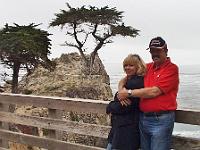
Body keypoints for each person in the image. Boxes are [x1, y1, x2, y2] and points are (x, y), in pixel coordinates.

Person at [118, 37, 179, 150]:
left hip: (161, 120)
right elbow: (126, 78)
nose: (154, 53)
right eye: (152, 51)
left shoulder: (172, 69)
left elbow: (154, 92)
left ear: (165, 50)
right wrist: (121, 92)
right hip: (143, 119)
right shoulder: (148, 67)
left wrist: (128, 93)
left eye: (157, 50)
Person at [106, 54, 146, 150]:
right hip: (121, 128)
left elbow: (124, 107)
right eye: (125, 65)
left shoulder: (136, 83)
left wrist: (110, 106)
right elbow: (120, 100)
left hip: (126, 130)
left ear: (138, 66)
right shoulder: (129, 80)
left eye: (131, 65)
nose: (127, 68)